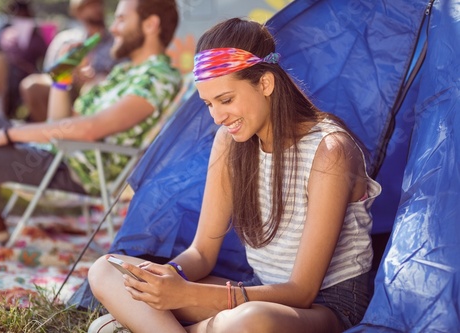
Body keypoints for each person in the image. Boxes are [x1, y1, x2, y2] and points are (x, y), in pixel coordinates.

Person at [87, 18, 382, 333]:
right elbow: (201, 253)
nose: (217, 116)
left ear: (265, 84)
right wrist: (165, 277)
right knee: (105, 269)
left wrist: (185, 294)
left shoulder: (330, 150)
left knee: (246, 322)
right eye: (208, 104)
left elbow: (302, 291)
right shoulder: (230, 142)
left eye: (226, 100)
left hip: (324, 306)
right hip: (257, 290)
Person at [0, 0, 181, 244]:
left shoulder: (157, 77)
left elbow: (88, 129)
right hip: (57, 154)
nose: (113, 28)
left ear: (151, 24)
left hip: (73, 170)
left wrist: (9, 134)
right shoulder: (125, 73)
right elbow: (61, 123)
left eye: (121, 19)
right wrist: (63, 76)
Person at [19, 0, 119, 122]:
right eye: (89, 6)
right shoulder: (66, 40)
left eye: (98, 4)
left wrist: (95, 78)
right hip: (66, 86)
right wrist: (69, 73)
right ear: (77, 12)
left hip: (98, 90)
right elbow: (51, 72)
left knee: (92, 87)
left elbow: (123, 73)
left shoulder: (116, 42)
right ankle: (46, 133)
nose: (96, 9)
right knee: (31, 86)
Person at [0, 0, 48, 118]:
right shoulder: (5, 31)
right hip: (9, 77)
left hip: (27, 76)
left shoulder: (36, 35)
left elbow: (44, 54)